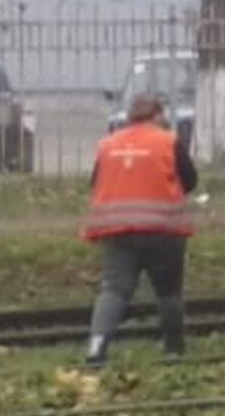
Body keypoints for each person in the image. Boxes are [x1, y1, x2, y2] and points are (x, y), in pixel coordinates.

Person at [81, 94, 197, 366]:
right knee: (168, 292)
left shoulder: (108, 145)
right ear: (157, 115)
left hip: (116, 230)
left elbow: (96, 181)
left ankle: (96, 347)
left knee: (114, 290)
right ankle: (173, 351)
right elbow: (190, 180)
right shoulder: (168, 141)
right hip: (162, 230)